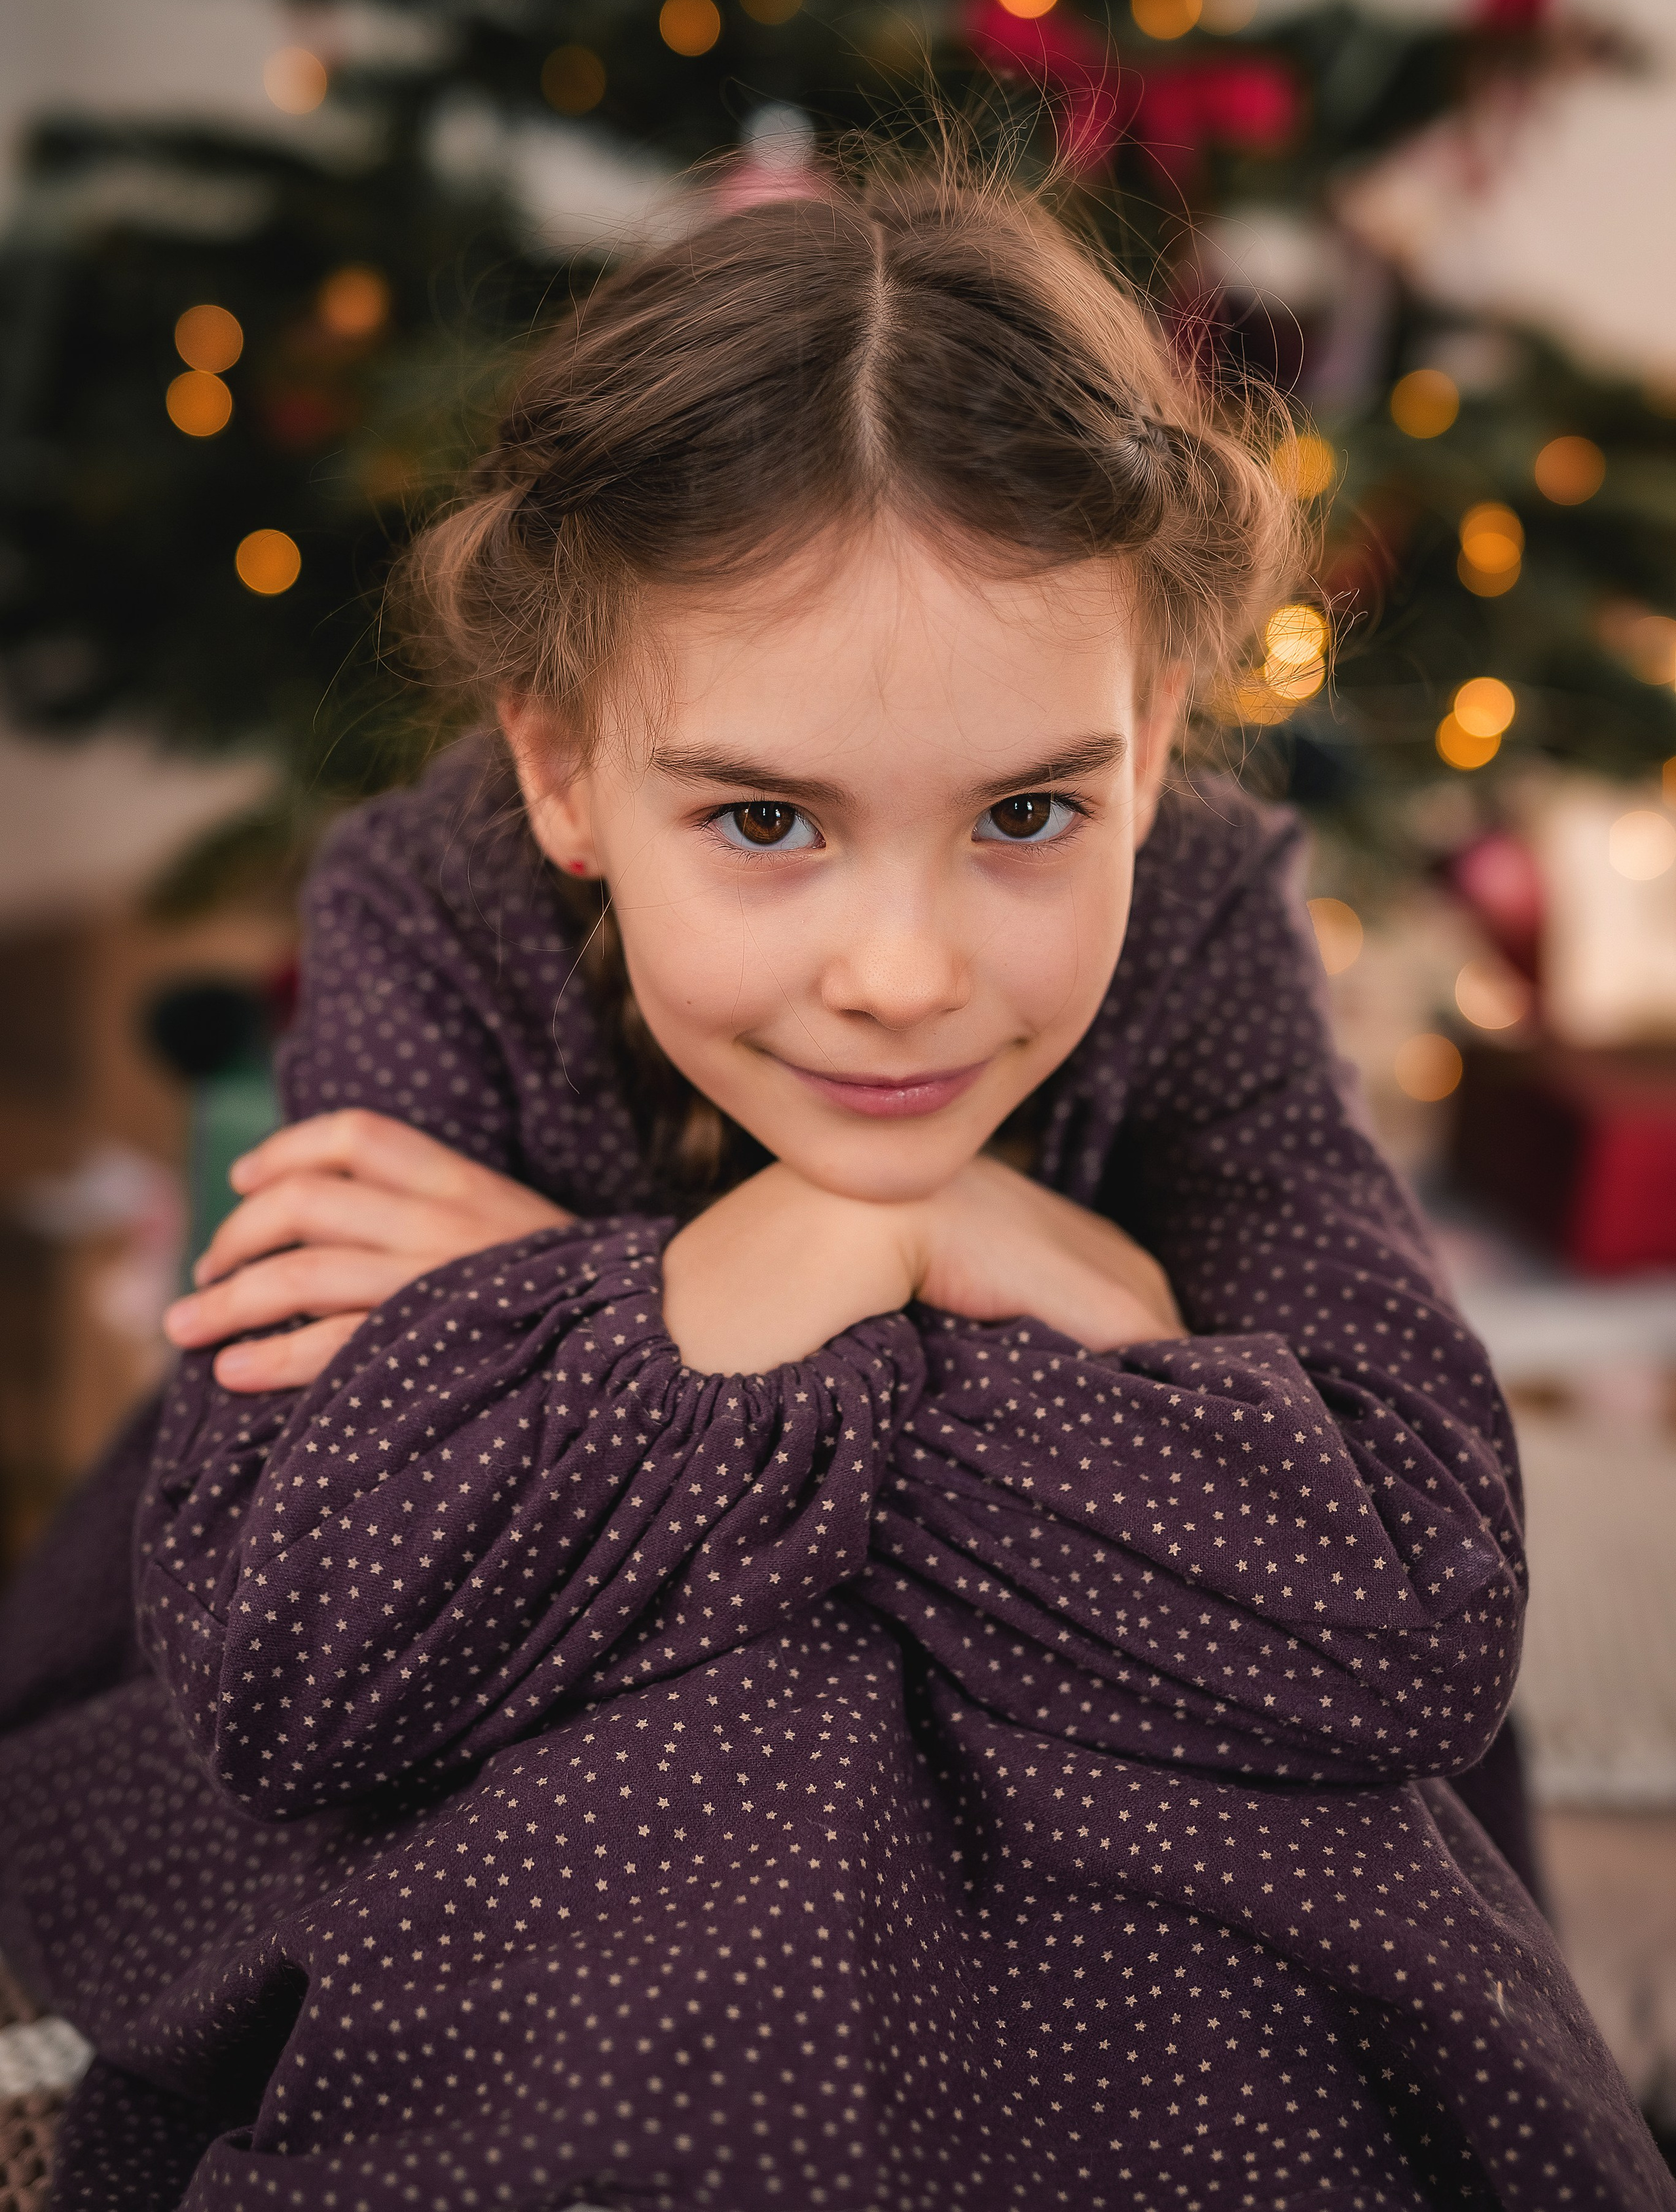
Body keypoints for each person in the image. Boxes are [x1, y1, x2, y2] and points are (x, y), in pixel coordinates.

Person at [1, 155, 1668, 2212]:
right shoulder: (434, 901)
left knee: (1216, 1883)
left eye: (1031, 809)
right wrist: (912, 1244)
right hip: (578, 1712)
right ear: (558, 764)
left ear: (1151, 742)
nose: (901, 977)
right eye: (770, 818)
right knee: (738, 1778)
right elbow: (301, 1643)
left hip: (1007, 1666)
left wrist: (625, 1304)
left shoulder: (1210, 913)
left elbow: (1408, 1596)